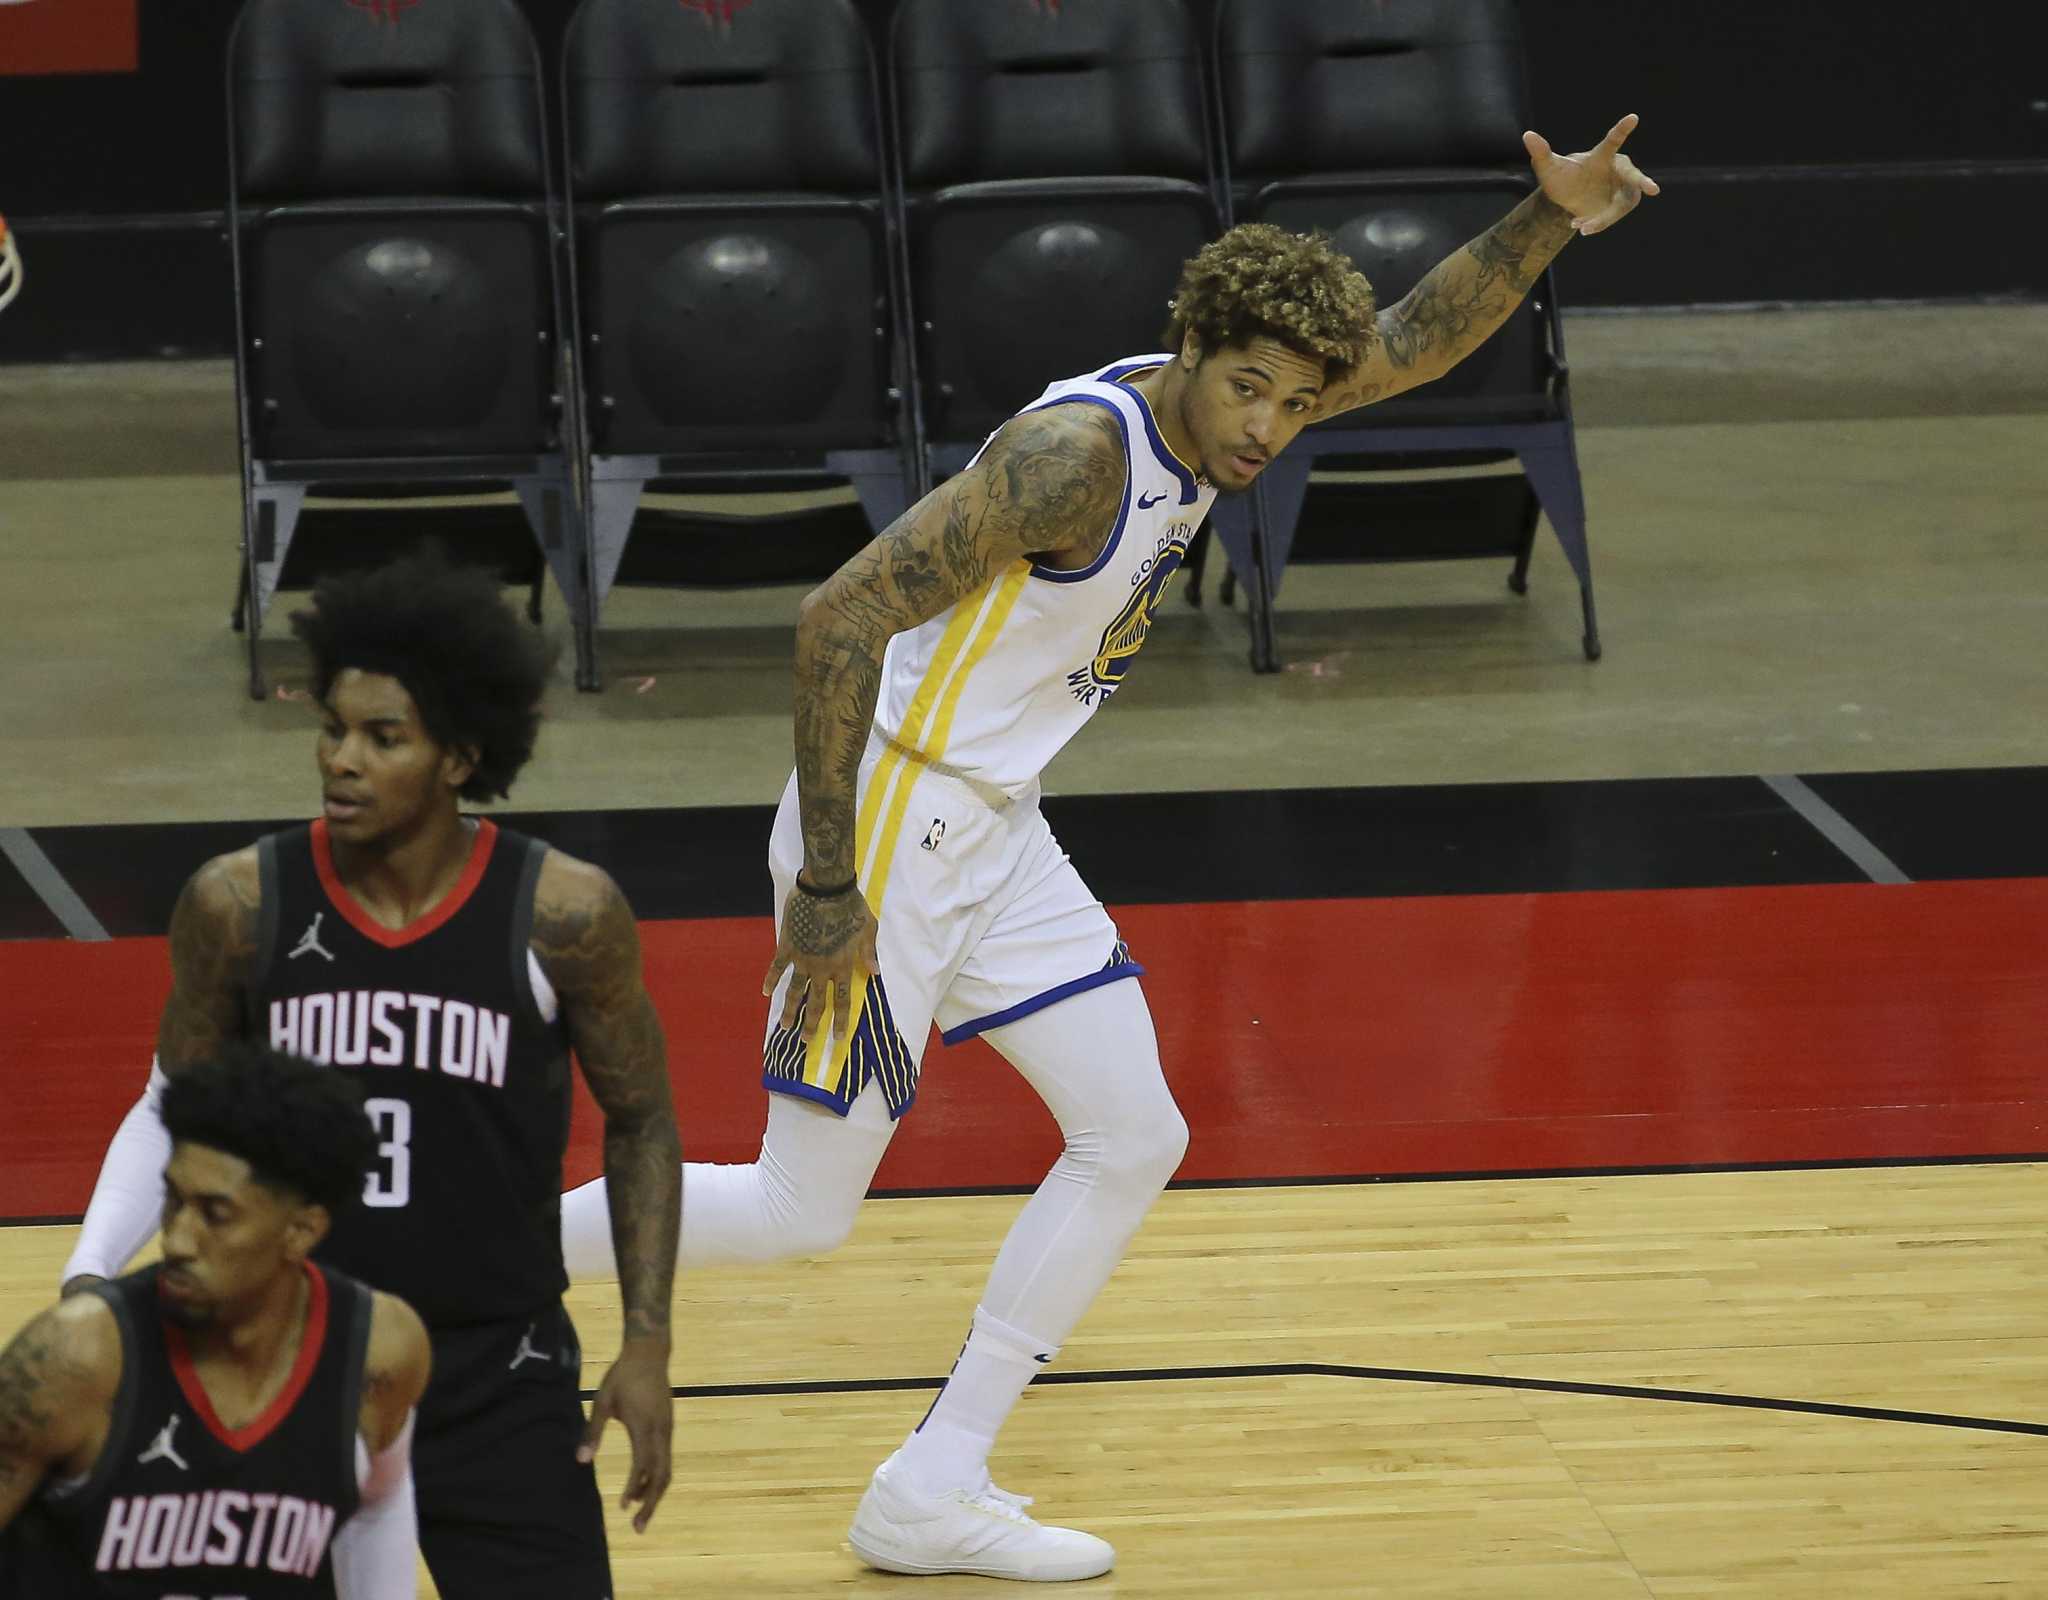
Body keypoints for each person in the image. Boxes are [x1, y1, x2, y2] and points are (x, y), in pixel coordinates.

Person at [561, 118, 1659, 1580]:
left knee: (1135, 1133)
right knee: (795, 1212)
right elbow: (836, 618)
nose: (1271, 424)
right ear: (1192, 347)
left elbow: (1416, 334)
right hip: (886, 829)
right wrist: (827, 889)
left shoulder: (1243, 413)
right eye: (1250, 387)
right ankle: (437, 1246)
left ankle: (932, 1484)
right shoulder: (1077, 459)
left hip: (994, 827)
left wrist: (1551, 219)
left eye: (1295, 400)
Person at [58, 553, 683, 1598]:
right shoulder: (240, 903)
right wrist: (88, 1277)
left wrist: (647, 1342)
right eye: (334, 727)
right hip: (287, 1358)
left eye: (382, 738)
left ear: (458, 757)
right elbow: (173, 1106)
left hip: (499, 1366)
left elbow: (641, 1121)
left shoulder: (562, 914)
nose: (340, 759)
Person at [0, 1044, 432, 1598]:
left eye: (215, 1214)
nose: (176, 1239)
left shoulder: (378, 1351)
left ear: (303, 1228)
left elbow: (381, 1508)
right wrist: (89, 1263)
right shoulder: (74, 1359)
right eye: (173, 1202)